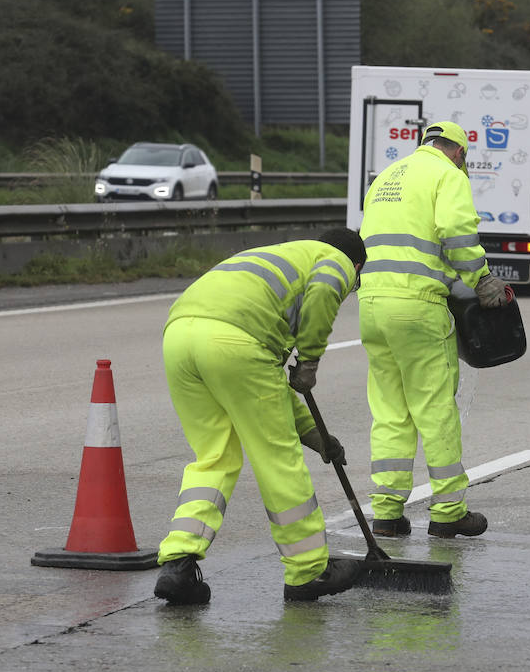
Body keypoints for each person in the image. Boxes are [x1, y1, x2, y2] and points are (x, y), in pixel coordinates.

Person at [153, 227, 367, 605]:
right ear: (357, 265)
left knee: (214, 457)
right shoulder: (335, 260)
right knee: (278, 459)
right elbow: (323, 292)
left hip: (179, 336)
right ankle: (307, 571)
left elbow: (268, 387)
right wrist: (311, 358)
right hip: (235, 342)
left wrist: (315, 435)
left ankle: (178, 563)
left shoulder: (281, 257)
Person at [357, 120, 511, 541]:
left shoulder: (386, 176)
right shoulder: (447, 175)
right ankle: (448, 512)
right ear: (459, 153)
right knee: (436, 407)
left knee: (390, 411)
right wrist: (481, 279)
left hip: (371, 304)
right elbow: (457, 233)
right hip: (417, 306)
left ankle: (386, 513)